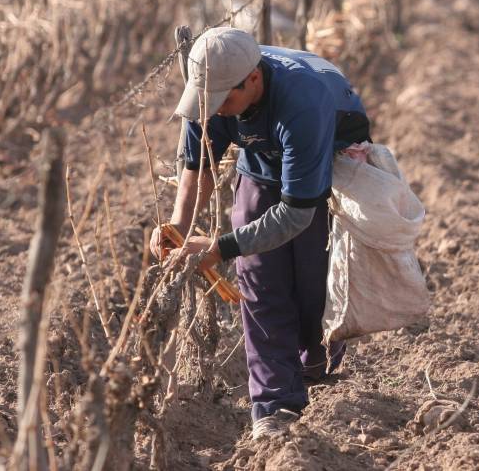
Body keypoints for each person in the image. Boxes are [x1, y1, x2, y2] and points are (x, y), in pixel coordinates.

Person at [149, 26, 371, 440]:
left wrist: (219, 248)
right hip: (260, 159)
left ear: (253, 79)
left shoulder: (303, 103)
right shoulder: (210, 93)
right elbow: (198, 168)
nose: (216, 111)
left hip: (325, 161)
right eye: (208, 103)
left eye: (224, 101)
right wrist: (178, 225)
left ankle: (315, 361)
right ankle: (274, 405)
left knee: (313, 283)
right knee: (260, 281)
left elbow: (295, 215)